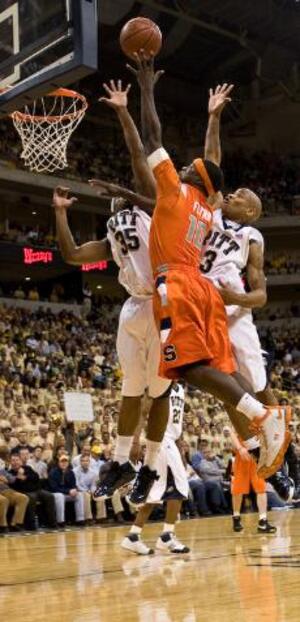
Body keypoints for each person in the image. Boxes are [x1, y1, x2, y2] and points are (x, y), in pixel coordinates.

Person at [124, 53, 289, 480]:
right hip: (202, 290)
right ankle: (258, 441)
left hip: (180, 285)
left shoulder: (178, 193)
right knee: (212, 372)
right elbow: (212, 163)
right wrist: (213, 117)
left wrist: (145, 89)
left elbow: (151, 136)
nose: (179, 166)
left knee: (190, 369)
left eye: (186, 168)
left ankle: (263, 417)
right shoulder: (207, 205)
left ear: (194, 178)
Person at [54, 79, 171, 508]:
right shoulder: (112, 231)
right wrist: (60, 215)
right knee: (130, 391)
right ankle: (121, 461)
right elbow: (70, 255)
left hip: (163, 306)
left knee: (158, 394)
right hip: (132, 309)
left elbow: (140, 155)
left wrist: (123, 109)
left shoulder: (153, 210)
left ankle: (152, 466)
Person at [122, 383, 189, 555]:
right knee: (180, 487)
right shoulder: (157, 384)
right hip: (159, 439)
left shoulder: (181, 389)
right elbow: (142, 413)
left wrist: (180, 449)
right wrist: (135, 441)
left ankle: (133, 536)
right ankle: (167, 535)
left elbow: (177, 423)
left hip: (170, 442)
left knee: (155, 491)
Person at [230, 428, 276, 533]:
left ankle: (263, 521)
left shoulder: (259, 415)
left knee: (261, 488)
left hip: (256, 455)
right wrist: (239, 448)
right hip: (242, 455)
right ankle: (236, 517)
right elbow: (232, 432)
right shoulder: (239, 415)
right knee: (238, 490)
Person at [9, 453, 57, 530]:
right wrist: (18, 477)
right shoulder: (10, 473)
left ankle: (52, 523)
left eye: (17, 460)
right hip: (24, 492)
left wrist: (25, 477)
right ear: (10, 462)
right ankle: (31, 525)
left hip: (37, 490)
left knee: (49, 496)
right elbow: (14, 487)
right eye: (13, 460)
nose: (15, 462)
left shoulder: (27, 468)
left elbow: (36, 477)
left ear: (20, 461)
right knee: (32, 497)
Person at [48, 454, 85, 527]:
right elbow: (54, 488)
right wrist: (68, 491)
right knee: (60, 496)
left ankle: (80, 519)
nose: (64, 463)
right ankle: (60, 521)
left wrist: (74, 490)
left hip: (67, 493)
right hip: (54, 494)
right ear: (58, 463)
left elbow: (73, 485)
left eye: (65, 462)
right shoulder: (53, 472)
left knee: (79, 495)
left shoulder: (70, 472)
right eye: (62, 461)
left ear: (68, 463)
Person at [0, 449, 28, 533]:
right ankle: (2, 525)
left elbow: (12, 480)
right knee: (3, 501)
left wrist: (19, 475)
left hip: (6, 490)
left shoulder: (1, 470)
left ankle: (15, 524)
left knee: (23, 498)